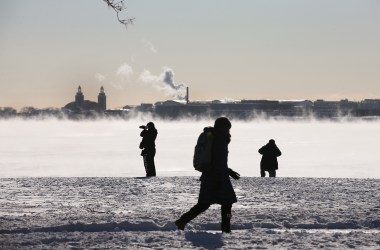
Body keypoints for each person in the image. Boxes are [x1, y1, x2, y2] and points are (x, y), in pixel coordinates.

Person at [175, 117, 240, 233]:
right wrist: (222, 176)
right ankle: (226, 228)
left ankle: (182, 220)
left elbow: (218, 160)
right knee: (219, 204)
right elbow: (218, 161)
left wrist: (228, 171)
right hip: (216, 177)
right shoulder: (218, 139)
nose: (228, 131)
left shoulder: (215, 137)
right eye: (227, 128)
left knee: (208, 204)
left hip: (214, 175)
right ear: (221, 127)